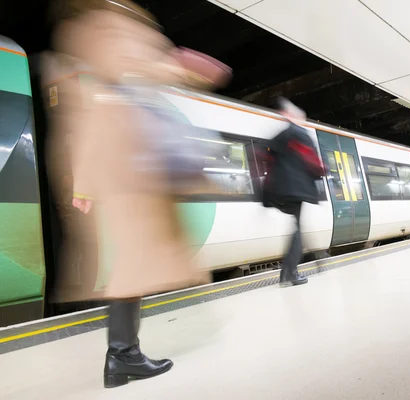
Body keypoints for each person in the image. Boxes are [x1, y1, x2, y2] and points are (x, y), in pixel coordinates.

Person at [46, 0, 222, 388]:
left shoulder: (91, 29)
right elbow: (133, 72)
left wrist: (85, 181)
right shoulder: (113, 25)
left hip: (125, 165)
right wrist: (182, 67)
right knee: (134, 268)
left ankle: (123, 355)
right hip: (133, 163)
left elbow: (96, 106)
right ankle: (123, 355)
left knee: (133, 266)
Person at [262, 98, 324, 287]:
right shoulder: (300, 134)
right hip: (295, 190)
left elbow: (267, 159)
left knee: (296, 227)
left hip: (278, 191)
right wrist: (322, 171)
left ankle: (287, 273)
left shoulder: (279, 137)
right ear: (294, 116)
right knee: (297, 230)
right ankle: (291, 273)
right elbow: (313, 162)